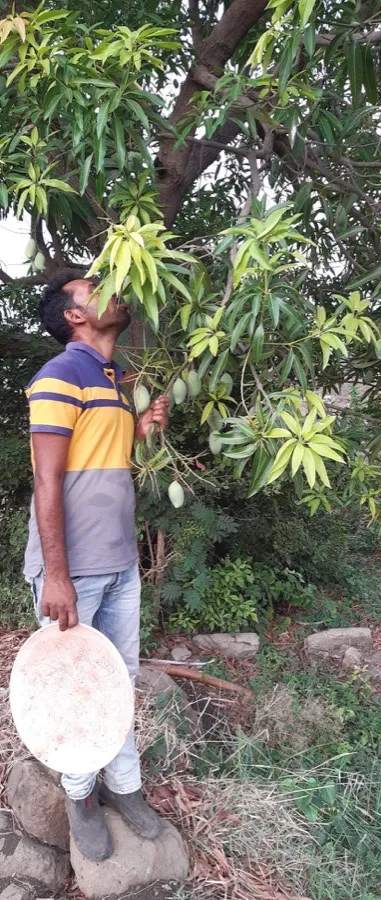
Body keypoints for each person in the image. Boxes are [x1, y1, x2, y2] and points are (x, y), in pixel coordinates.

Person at [23, 270, 170, 862]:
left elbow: (106, 460)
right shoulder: (58, 375)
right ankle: (80, 796)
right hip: (73, 572)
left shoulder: (114, 379)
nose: (113, 291)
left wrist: (141, 429)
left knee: (120, 682)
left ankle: (124, 785)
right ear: (75, 315)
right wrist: (56, 575)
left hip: (119, 563)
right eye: (93, 288)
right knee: (75, 690)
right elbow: (46, 479)